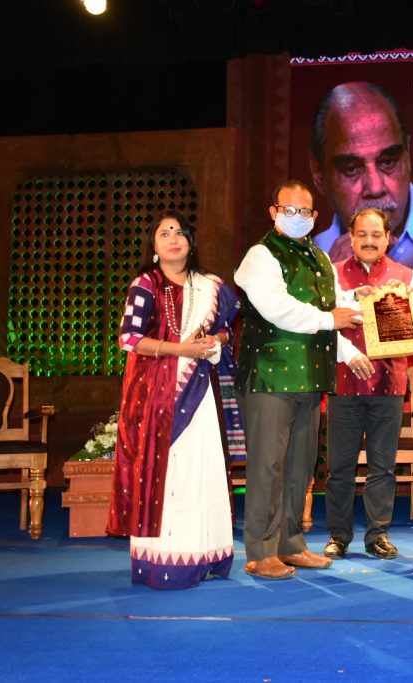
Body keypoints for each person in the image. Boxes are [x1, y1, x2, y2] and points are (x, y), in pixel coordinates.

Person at [235, 180, 363, 580]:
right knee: (267, 467)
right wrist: (332, 319)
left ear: (314, 217)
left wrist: (353, 347)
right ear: (274, 212)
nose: (297, 218)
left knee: (300, 468)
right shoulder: (260, 256)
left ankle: (290, 544)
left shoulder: (320, 259)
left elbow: (337, 310)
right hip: (269, 378)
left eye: (304, 212)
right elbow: (278, 309)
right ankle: (259, 550)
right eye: (288, 210)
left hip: (310, 378)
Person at [107, 209, 240, 590]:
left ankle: (208, 553)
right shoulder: (145, 285)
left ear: (191, 242)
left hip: (199, 392)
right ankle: (166, 561)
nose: (172, 238)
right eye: (164, 233)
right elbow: (129, 339)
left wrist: (216, 341)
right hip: (157, 395)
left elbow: (227, 329)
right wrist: (179, 348)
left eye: (180, 231)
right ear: (154, 245)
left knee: (203, 468)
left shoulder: (210, 286)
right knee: (170, 472)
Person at [323, 208, 413, 560]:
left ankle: (378, 535)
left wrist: (400, 306)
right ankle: (338, 535)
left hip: (388, 386)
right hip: (344, 384)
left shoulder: (406, 277)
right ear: (350, 238)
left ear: (388, 238)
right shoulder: (331, 275)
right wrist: (348, 354)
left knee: (383, 466)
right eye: (361, 234)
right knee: (340, 467)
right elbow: (323, 325)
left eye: (376, 234)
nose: (369, 241)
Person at [309, 81, 413, 279]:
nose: (375, 188)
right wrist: (328, 281)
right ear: (318, 172)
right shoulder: (310, 258)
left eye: (388, 162)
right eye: (351, 169)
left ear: (408, 155)